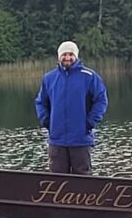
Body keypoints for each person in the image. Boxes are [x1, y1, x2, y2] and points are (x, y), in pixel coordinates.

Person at [35, 41, 108, 175]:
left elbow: (101, 100)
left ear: (76, 56)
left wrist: (90, 122)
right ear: (59, 56)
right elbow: (40, 102)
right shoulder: (49, 78)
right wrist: (47, 122)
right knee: (56, 181)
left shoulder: (89, 76)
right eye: (64, 54)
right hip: (57, 140)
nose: (67, 58)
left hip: (80, 139)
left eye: (70, 54)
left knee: (83, 180)